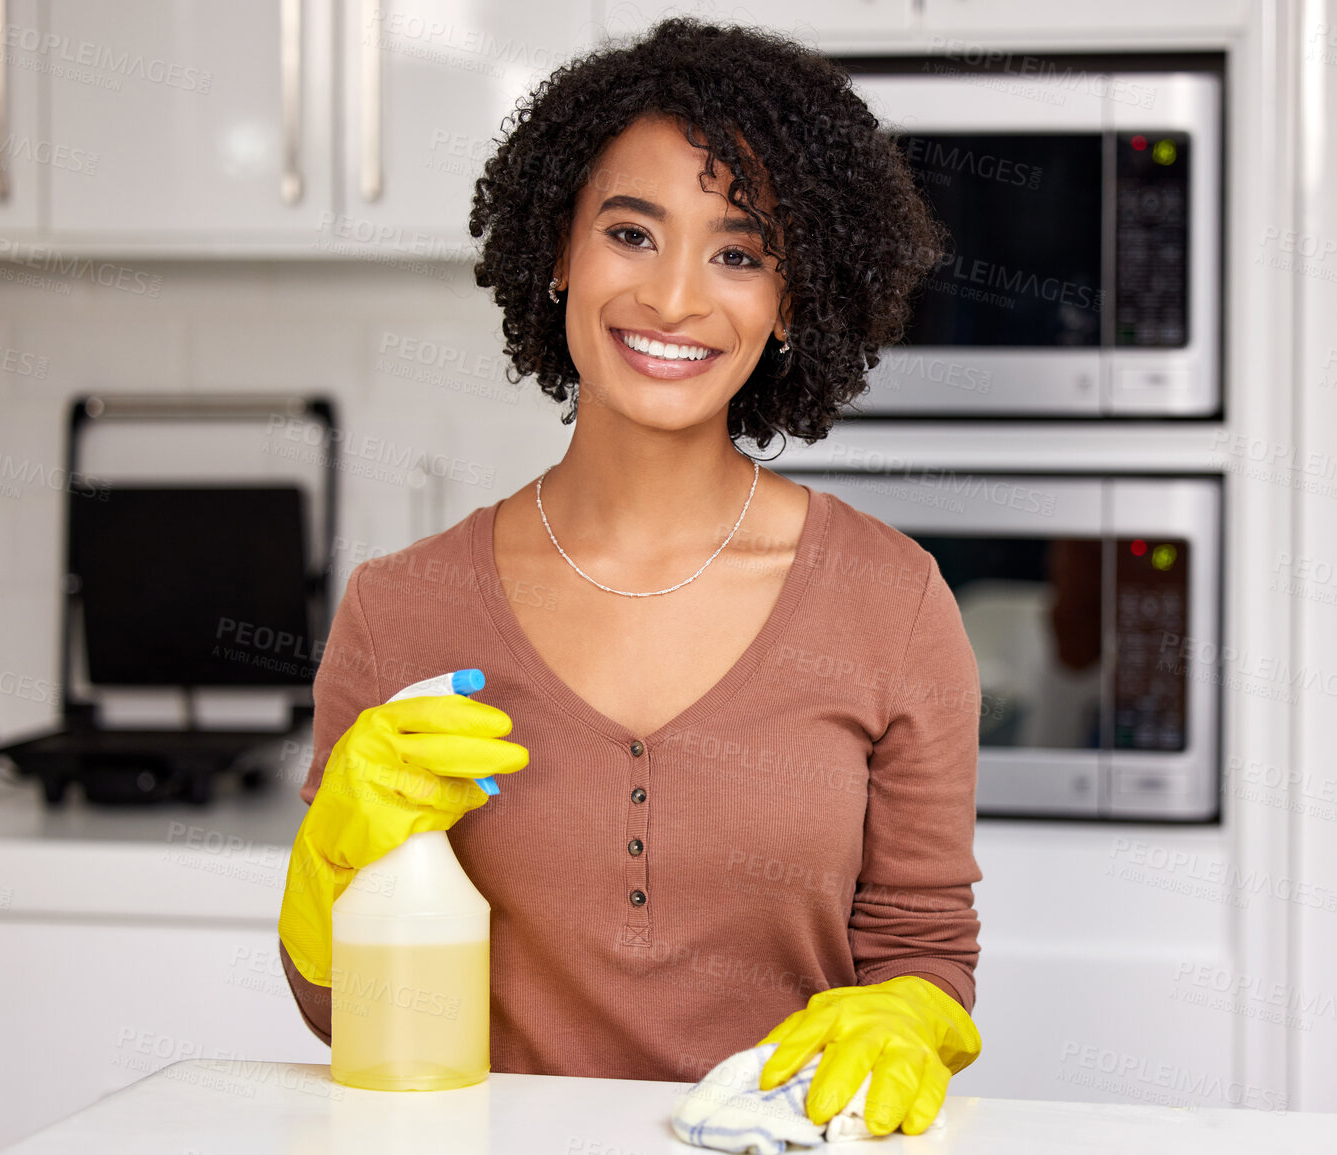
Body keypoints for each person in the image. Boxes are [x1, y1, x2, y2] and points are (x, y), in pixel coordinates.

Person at [277, 16, 984, 1138]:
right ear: (558, 252)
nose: (673, 299)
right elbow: (341, 1015)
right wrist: (327, 881)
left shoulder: (892, 607)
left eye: (740, 253)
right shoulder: (400, 610)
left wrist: (906, 1015)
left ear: (793, 301)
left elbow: (923, 953)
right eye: (631, 233)